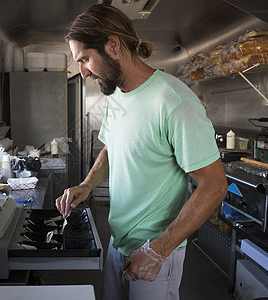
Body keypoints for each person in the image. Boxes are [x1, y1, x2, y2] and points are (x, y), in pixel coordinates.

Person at [55, 4, 228, 300]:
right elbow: (112, 148)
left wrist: (158, 250)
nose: (82, 72)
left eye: (85, 59)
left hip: (157, 252)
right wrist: (87, 185)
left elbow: (214, 186)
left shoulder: (174, 102)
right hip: (118, 242)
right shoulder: (117, 96)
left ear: (113, 45)